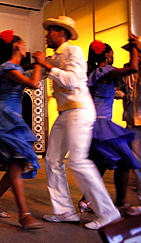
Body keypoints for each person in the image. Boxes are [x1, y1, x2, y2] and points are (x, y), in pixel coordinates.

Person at [34, 16, 121, 230]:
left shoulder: (74, 52)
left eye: (50, 31)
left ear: (60, 33)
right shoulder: (54, 58)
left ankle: (109, 213)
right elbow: (35, 76)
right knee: (52, 160)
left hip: (80, 111)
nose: (47, 35)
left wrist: (46, 65)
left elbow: (72, 81)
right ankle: (65, 212)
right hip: (65, 113)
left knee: (77, 161)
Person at [0, 30, 44, 229]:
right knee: (17, 162)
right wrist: (40, 63)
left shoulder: (15, 66)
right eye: (24, 44)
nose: (26, 47)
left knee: (15, 166)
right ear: (16, 46)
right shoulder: (7, 67)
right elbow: (34, 83)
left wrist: (40, 63)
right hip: (6, 118)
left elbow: (26, 67)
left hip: (13, 119)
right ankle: (25, 214)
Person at [78, 38, 139, 212]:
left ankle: (85, 200)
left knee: (102, 162)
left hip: (94, 123)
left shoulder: (95, 73)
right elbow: (133, 68)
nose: (113, 57)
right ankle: (122, 204)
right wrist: (134, 47)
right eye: (112, 54)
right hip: (101, 123)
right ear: (106, 55)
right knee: (125, 160)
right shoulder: (106, 70)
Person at [120, 33, 141, 215]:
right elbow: (119, 88)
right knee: (134, 160)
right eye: (132, 51)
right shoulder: (128, 71)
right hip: (132, 120)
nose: (134, 54)